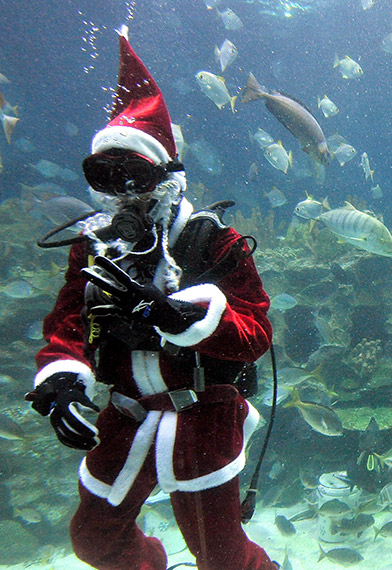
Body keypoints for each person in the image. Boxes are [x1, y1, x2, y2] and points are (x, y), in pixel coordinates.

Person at [24, 27, 278, 570]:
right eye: (104, 176)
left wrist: (187, 316)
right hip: (126, 417)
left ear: (168, 174)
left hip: (203, 417)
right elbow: (67, 318)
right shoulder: (94, 247)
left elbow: (257, 333)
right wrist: (63, 377)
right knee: (95, 540)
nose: (123, 193)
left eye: (134, 175)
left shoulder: (213, 242)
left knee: (223, 557)